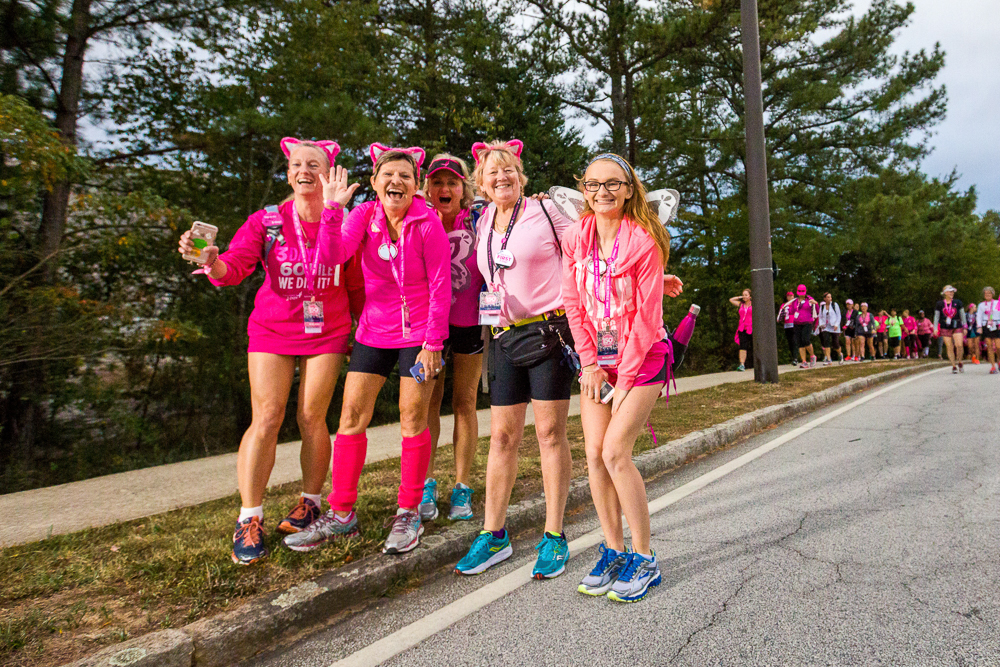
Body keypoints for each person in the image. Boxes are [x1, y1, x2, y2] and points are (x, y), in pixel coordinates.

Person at [177, 137, 364, 565]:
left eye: (313, 164)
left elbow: (353, 278)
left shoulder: (344, 220)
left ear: (329, 173)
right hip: (272, 328)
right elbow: (233, 267)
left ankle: (310, 502)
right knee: (266, 418)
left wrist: (359, 328)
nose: (303, 171)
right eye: (296, 164)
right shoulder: (267, 220)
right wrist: (211, 260)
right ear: (288, 173)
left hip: (327, 329)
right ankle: (250, 517)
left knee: (311, 416)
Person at [284, 143, 451, 556]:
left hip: (419, 336)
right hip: (374, 332)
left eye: (405, 176)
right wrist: (332, 210)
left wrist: (433, 343)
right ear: (375, 182)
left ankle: (409, 511)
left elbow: (440, 286)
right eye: (388, 175)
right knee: (350, 417)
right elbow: (333, 256)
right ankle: (342, 513)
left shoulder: (427, 222)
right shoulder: (362, 215)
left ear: (416, 186)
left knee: (412, 418)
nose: (396, 182)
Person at [453, 139, 577, 579]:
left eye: (508, 169)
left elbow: (591, 249)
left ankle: (554, 535)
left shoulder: (548, 211)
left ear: (521, 176)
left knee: (549, 434)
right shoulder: (484, 218)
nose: (501, 177)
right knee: (503, 437)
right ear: (481, 183)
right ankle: (494, 534)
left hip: (549, 332)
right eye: (492, 172)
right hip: (503, 336)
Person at [562, 152, 678, 602]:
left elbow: (647, 321)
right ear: (584, 190)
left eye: (613, 183)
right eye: (593, 184)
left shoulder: (643, 241)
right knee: (594, 455)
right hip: (598, 360)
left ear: (629, 190)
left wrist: (624, 381)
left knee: (615, 452)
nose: (602, 192)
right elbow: (573, 303)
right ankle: (613, 551)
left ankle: (645, 558)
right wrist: (590, 364)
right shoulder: (576, 236)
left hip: (643, 358)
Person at [419, 154, 484, 522]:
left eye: (452, 183)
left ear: (463, 189)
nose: (444, 188)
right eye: (437, 182)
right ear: (428, 188)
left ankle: (462, 486)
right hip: (430, 325)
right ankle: (425, 483)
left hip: (469, 321)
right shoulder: (417, 218)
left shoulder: (480, 216)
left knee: (465, 401)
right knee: (428, 401)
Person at [933, 285, 966, 374]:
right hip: (945, 326)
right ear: (945, 293)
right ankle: (954, 366)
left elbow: (962, 314)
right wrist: (935, 328)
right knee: (949, 346)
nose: (951, 293)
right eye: (949, 291)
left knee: (959, 345)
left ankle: (960, 360)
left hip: (957, 325)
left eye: (952, 291)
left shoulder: (958, 302)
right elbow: (936, 316)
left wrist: (965, 326)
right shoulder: (939, 304)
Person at [789, 284, 818, 367]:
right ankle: (804, 361)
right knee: (800, 342)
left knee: (806, 340)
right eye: (800, 292)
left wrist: (815, 303)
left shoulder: (809, 299)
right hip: (797, 323)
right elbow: (791, 311)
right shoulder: (795, 301)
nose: (801, 294)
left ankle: (812, 355)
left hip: (807, 322)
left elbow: (817, 310)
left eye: (802, 292)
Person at [976, 287, 1000, 374]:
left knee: (998, 346)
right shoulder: (981, 305)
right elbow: (979, 316)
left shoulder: (997, 303)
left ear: (992, 294)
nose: (987, 295)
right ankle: (993, 366)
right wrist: (979, 326)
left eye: (989, 293)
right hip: (986, 325)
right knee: (989, 346)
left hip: (997, 324)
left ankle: (999, 360)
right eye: (986, 294)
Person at [729, 289, 753, 371]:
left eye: (746, 295)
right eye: (743, 295)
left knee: (754, 345)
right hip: (742, 328)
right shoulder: (741, 304)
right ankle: (742, 364)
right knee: (743, 346)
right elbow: (731, 300)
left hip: (751, 327)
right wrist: (740, 297)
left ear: (750, 296)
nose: (744, 296)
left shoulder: (753, 305)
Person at [817, 293, 842, 365]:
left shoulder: (834, 305)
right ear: (824, 298)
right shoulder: (822, 307)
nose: (829, 299)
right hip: (826, 327)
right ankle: (828, 359)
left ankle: (840, 354)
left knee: (835, 344)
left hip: (834, 326)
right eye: (827, 297)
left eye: (830, 297)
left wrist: (836, 324)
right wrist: (821, 324)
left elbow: (838, 315)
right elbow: (820, 316)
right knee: (826, 342)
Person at [777, 291, 798, 366]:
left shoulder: (795, 304)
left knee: (794, 341)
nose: (790, 297)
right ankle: (793, 357)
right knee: (790, 342)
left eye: (791, 296)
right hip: (787, 325)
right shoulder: (784, 305)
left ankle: (795, 357)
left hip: (794, 324)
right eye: (788, 296)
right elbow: (780, 314)